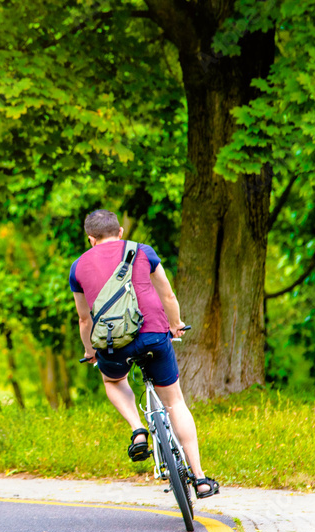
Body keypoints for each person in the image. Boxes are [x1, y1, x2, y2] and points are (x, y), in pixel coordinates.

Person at [69, 209, 219, 499]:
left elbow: (84, 319)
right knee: (174, 401)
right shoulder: (143, 251)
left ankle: (138, 429)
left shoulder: (77, 267)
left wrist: (90, 352)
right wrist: (175, 325)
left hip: (112, 344)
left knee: (112, 380)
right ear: (121, 232)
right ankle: (200, 479)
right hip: (153, 334)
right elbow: (168, 295)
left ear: (90, 239)